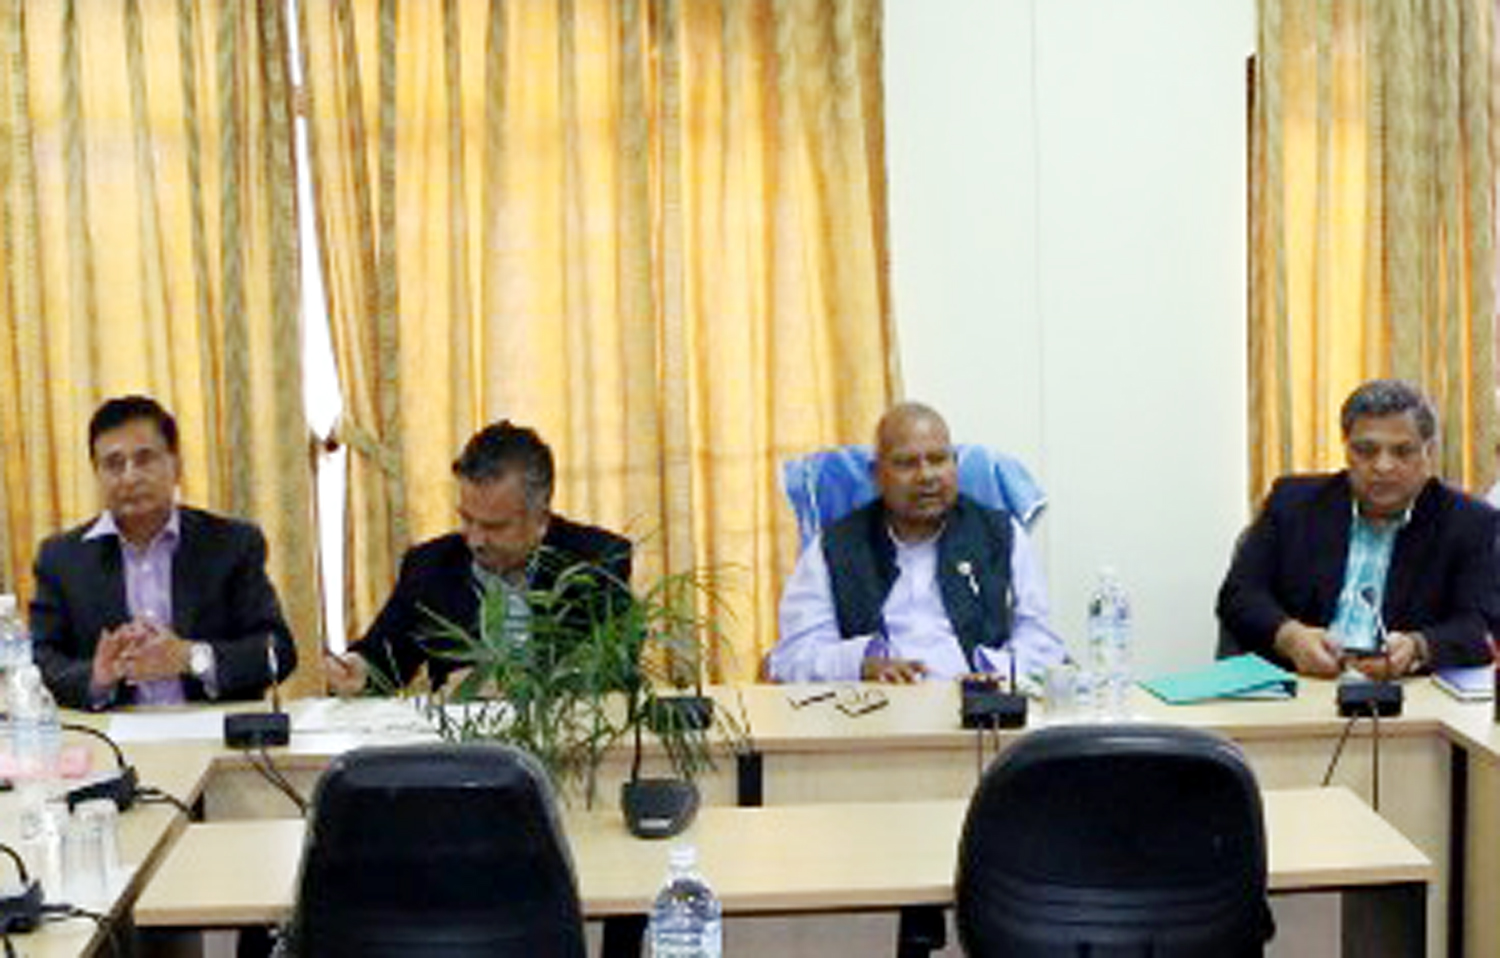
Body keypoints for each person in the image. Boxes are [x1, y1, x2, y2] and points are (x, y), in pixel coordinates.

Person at [1217, 378, 1500, 679]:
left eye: (1402, 451)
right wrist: (1290, 637)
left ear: (1428, 453)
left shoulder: (1470, 522)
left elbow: (1481, 623)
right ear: (1346, 448)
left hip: (1408, 693)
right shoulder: (1293, 504)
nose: (1383, 466)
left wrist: (1418, 647)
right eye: (1366, 450)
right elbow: (1240, 594)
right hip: (1299, 684)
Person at [325, 420, 632, 694]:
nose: (474, 540)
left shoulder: (599, 561)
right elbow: (383, 660)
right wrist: (357, 670)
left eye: (493, 526)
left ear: (541, 519)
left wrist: (514, 686)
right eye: (467, 519)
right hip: (460, 740)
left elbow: (615, 673)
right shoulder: (429, 566)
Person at [30, 395, 297, 710]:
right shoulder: (62, 559)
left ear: (176, 465)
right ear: (97, 474)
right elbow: (39, 661)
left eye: (145, 459)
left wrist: (190, 657)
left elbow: (277, 652)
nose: (130, 477)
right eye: (114, 464)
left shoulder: (231, 544)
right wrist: (96, 678)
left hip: (213, 730)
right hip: (110, 733)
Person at [768, 402, 1065, 684]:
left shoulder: (1000, 534)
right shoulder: (835, 547)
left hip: (979, 708)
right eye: (907, 464)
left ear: (955, 465)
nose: (926, 476)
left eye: (938, 460)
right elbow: (793, 657)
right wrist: (861, 666)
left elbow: (1041, 642)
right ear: (876, 475)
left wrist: (990, 672)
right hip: (874, 709)